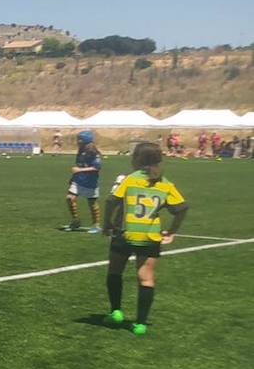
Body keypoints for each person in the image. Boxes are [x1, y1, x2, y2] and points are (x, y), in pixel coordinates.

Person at [102, 142, 189, 335]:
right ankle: (140, 323)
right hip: (150, 236)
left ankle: (116, 311)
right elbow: (181, 208)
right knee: (146, 278)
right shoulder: (165, 183)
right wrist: (172, 231)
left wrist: (106, 223)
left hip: (125, 232)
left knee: (115, 271)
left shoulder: (129, 179)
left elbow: (111, 201)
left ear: (137, 160)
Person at [62, 130, 103, 233]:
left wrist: (80, 170)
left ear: (84, 140)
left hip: (90, 181)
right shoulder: (80, 150)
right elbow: (79, 165)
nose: (77, 141)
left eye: (79, 139)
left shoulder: (93, 152)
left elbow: (97, 167)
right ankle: (76, 221)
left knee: (92, 203)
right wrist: (73, 177)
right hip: (78, 180)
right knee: (70, 198)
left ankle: (96, 225)